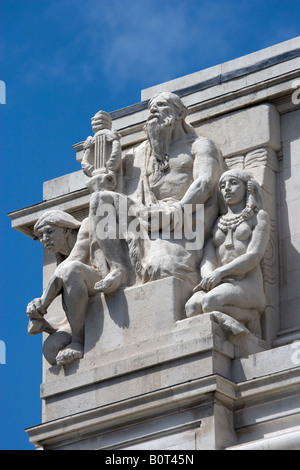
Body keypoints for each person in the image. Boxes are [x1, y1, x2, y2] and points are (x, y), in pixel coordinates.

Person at [88, 91, 224, 294]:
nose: (152, 110)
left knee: (160, 268)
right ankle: (118, 267)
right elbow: (110, 179)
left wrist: (174, 212)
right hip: (145, 216)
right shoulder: (141, 153)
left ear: (179, 114)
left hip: (183, 220)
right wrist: (104, 138)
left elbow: (205, 183)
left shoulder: (199, 145)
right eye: (151, 108)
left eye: (160, 105)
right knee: (101, 199)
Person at [185, 169, 270, 337]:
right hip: (220, 282)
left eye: (233, 183)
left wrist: (220, 273)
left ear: (248, 187)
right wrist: (209, 277)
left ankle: (249, 316)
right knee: (192, 307)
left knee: (210, 302)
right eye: (222, 186)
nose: (227, 189)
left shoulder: (258, 217)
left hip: (246, 283)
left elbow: (253, 256)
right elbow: (207, 258)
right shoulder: (218, 223)